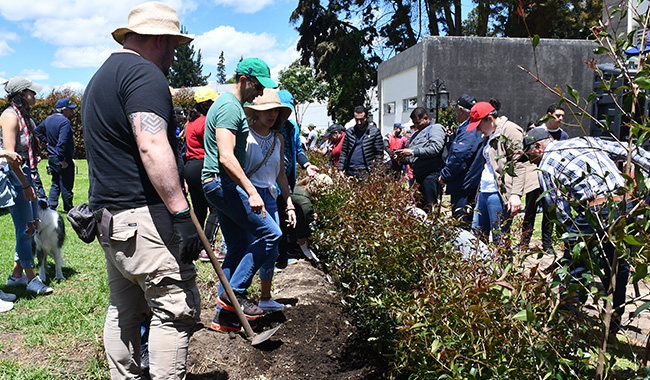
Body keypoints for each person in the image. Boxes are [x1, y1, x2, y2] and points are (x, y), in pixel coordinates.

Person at [82, 3, 202, 378]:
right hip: (143, 220)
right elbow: (151, 144)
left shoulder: (100, 78)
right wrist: (181, 213)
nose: (173, 57)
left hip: (109, 220)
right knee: (173, 307)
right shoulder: (144, 74)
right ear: (161, 40)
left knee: (124, 309)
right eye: (174, 47)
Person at [523, 129, 644, 332]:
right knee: (617, 264)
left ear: (538, 147)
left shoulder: (547, 165)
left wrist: (570, 238)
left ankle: (565, 323)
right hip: (623, 204)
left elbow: (558, 209)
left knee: (576, 267)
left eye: (529, 156)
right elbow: (627, 149)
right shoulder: (582, 141)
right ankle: (614, 320)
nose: (530, 162)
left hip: (596, 208)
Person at [201, 57, 277, 329]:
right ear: (244, 80)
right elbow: (226, 156)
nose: (260, 93)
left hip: (218, 184)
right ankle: (236, 295)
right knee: (271, 233)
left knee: (237, 247)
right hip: (223, 183)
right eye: (258, 86)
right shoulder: (230, 108)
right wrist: (251, 191)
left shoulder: (230, 105)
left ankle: (225, 316)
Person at [242, 88, 297, 313]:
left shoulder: (278, 139)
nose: (272, 115)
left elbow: (280, 174)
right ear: (256, 112)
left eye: (275, 110)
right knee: (246, 247)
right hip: (249, 196)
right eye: (267, 110)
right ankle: (237, 294)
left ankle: (265, 297)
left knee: (272, 248)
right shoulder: (244, 135)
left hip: (271, 197)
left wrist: (290, 202)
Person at [0, 76, 53, 295]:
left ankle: (16, 276)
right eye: (32, 91)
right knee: (25, 229)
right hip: (16, 177)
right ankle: (32, 280)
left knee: (31, 225)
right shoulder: (10, 117)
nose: (36, 95)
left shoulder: (24, 116)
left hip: (26, 174)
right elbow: (11, 157)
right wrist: (24, 184)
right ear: (22, 94)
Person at [468, 100, 538, 253]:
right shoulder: (488, 134)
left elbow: (518, 164)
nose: (478, 130)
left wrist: (515, 194)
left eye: (479, 125)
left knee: (500, 239)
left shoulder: (510, 130)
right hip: (484, 192)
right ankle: (483, 273)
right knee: (478, 237)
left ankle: (505, 274)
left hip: (499, 194)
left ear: (490, 118)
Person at [275, 89, 319, 268]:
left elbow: (298, 151)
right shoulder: (269, 127)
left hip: (287, 180)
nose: (286, 114)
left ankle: (283, 256)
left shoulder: (292, 128)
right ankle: (277, 258)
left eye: (289, 110)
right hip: (271, 180)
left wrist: (307, 166)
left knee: (285, 215)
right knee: (275, 219)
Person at [184, 87, 221, 261]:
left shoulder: (190, 123)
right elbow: (212, 146)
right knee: (216, 209)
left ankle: (195, 246)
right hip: (203, 165)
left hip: (190, 167)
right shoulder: (206, 122)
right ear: (207, 105)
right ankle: (208, 248)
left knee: (199, 210)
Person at [438, 94, 483, 226]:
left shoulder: (470, 128)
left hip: (464, 185)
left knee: (462, 225)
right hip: (467, 183)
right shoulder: (469, 128)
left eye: (456, 109)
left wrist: (445, 175)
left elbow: (460, 156)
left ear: (461, 110)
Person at [395, 107, 446, 212]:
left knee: (430, 209)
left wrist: (412, 152)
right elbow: (413, 158)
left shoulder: (435, 128)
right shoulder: (416, 134)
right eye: (414, 124)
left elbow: (435, 148)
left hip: (430, 175)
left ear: (426, 118)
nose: (417, 126)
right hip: (418, 176)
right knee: (420, 210)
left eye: (418, 123)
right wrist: (402, 158)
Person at [36, 97, 76, 212]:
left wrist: (47, 141)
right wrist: (62, 159)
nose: (71, 111)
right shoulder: (65, 122)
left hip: (51, 157)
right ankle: (69, 208)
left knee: (55, 182)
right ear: (64, 110)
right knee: (66, 184)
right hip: (61, 157)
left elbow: (37, 131)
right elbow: (62, 142)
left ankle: (51, 205)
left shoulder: (48, 119)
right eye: (70, 109)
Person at [338, 105, 385, 178]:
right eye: (357, 120)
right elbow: (344, 151)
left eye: (362, 119)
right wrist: (341, 169)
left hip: (366, 171)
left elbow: (379, 154)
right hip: (350, 171)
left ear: (367, 118)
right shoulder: (350, 132)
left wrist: (376, 171)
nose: (359, 122)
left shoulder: (375, 132)